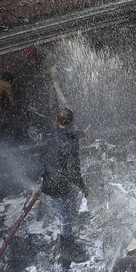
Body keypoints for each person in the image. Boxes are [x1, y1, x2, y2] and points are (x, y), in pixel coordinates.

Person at [42, 108, 90, 260]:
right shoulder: (70, 144)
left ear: (56, 121)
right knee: (65, 221)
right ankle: (68, 251)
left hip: (50, 180)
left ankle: (70, 229)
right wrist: (83, 187)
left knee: (68, 210)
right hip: (59, 185)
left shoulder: (53, 134)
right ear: (72, 122)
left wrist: (83, 133)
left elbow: (68, 135)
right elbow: (74, 172)